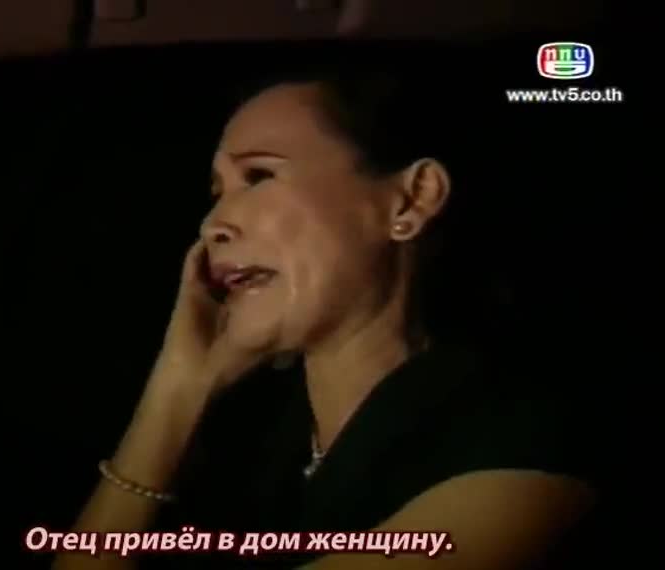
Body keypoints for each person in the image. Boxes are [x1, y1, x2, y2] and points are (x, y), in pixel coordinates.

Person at [52, 68, 600, 570]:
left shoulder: (526, 444)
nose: (214, 223)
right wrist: (177, 389)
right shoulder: (250, 441)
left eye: (259, 176)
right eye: (217, 193)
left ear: (411, 200)